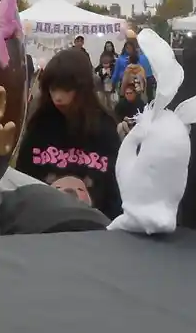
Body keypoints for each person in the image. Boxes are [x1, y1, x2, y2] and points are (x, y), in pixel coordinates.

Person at [17, 48, 122, 217]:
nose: (58, 97)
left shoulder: (105, 128)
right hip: (43, 226)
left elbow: (116, 187)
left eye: (66, 89)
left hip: (97, 227)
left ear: (82, 89)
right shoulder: (40, 125)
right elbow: (22, 182)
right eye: (53, 89)